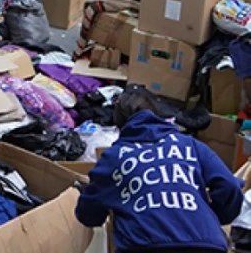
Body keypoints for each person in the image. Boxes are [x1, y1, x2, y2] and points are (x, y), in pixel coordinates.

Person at [75, 89, 243, 253]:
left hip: (145, 245)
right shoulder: (188, 144)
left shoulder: (113, 157)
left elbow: (88, 215)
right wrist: (212, 219)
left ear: (118, 124)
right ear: (157, 115)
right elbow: (229, 185)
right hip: (206, 243)